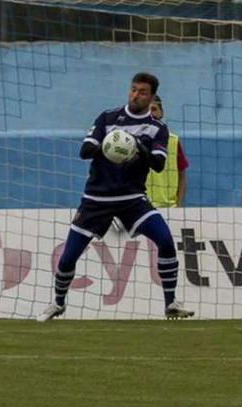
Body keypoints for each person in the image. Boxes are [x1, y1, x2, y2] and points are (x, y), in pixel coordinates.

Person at [37, 73, 194, 321]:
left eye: (142, 92)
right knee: (68, 256)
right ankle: (57, 303)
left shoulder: (158, 129)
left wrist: (138, 147)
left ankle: (170, 303)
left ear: (151, 96)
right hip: (96, 199)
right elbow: (85, 150)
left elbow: (159, 163)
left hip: (132, 198)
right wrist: (110, 146)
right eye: (133, 89)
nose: (136, 95)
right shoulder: (108, 118)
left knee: (165, 240)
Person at [146, 94, 189, 208]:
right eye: (145, 110)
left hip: (169, 209)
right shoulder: (131, 141)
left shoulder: (173, 141)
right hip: (141, 208)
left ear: (161, 113)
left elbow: (182, 176)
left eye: (154, 109)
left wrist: (179, 205)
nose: (150, 114)